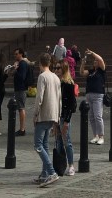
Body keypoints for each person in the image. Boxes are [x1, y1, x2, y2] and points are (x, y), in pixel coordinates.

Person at [33, 52, 62, 187]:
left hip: (43, 114)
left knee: (38, 145)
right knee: (45, 145)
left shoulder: (42, 77)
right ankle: (44, 174)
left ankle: (51, 171)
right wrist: (58, 116)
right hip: (53, 114)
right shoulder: (56, 77)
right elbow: (59, 98)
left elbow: (39, 97)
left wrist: (35, 114)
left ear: (40, 63)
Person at [55, 58, 77, 176]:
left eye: (58, 68)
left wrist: (66, 121)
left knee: (67, 141)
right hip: (57, 116)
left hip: (64, 116)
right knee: (58, 141)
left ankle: (71, 165)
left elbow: (71, 105)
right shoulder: (57, 83)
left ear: (63, 69)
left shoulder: (68, 84)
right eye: (55, 68)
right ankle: (60, 165)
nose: (56, 70)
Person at [82, 49, 106, 144]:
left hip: (98, 95)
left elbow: (100, 59)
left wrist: (92, 53)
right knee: (91, 116)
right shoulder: (91, 71)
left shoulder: (102, 70)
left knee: (98, 116)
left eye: (96, 61)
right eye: (94, 61)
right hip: (89, 95)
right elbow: (82, 73)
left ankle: (101, 136)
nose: (95, 61)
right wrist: (83, 64)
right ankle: (95, 135)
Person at [8, 47, 31, 136]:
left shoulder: (23, 64)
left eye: (16, 54)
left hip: (21, 89)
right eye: (14, 54)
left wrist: (16, 69)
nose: (15, 55)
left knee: (21, 108)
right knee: (20, 108)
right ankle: (22, 128)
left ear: (21, 54)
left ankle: (22, 129)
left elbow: (22, 77)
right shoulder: (19, 64)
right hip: (18, 89)